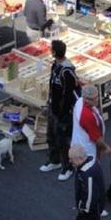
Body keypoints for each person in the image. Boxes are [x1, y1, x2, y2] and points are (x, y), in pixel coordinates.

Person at [41, 40, 81, 178]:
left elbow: (68, 95)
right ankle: (54, 160)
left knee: (62, 140)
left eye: (51, 49)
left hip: (62, 112)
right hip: (53, 107)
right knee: (51, 136)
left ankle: (67, 167)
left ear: (54, 52)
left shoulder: (67, 72)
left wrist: (62, 113)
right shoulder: (55, 65)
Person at [69, 85, 111, 181]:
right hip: (88, 148)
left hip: (80, 143)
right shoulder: (87, 116)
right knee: (89, 171)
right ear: (86, 99)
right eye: (93, 99)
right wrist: (106, 148)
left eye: (97, 97)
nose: (97, 100)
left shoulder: (80, 101)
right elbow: (96, 138)